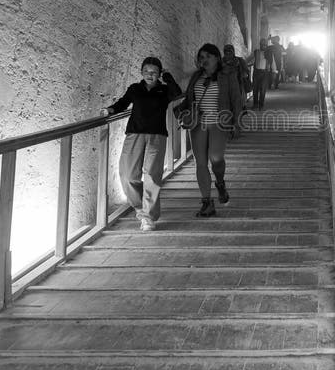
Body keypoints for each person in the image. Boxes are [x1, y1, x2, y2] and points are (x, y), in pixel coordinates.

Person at [101, 56, 181, 232]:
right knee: (127, 175)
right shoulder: (135, 88)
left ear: (159, 73)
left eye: (154, 72)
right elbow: (123, 103)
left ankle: (148, 217)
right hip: (135, 134)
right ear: (141, 72)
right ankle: (139, 207)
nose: (149, 75)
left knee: (152, 175)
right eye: (146, 71)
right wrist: (110, 110)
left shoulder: (164, 90)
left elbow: (178, 94)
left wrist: (168, 77)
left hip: (157, 135)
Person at [175, 43, 241, 218]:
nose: (204, 60)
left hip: (220, 121)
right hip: (198, 123)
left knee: (216, 157)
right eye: (201, 58)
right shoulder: (196, 76)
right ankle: (207, 202)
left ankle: (220, 182)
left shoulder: (228, 75)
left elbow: (236, 98)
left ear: (217, 58)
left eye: (208, 57)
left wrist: (236, 122)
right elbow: (189, 98)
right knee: (201, 162)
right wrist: (180, 110)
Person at [222, 43, 251, 125]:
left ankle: (236, 124)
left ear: (233, 52)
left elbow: (246, 72)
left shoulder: (239, 61)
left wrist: (243, 74)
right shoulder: (221, 62)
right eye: (226, 52)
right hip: (225, 88)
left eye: (229, 52)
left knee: (238, 106)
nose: (228, 54)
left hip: (238, 87)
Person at [250, 38, 273, 109]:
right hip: (256, 72)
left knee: (263, 90)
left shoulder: (269, 53)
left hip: (264, 73)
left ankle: (261, 105)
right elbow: (250, 58)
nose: (263, 46)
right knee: (255, 89)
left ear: (266, 45)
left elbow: (273, 63)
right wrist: (243, 62)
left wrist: (274, 71)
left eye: (265, 45)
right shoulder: (256, 52)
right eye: (262, 44)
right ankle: (255, 104)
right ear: (260, 45)